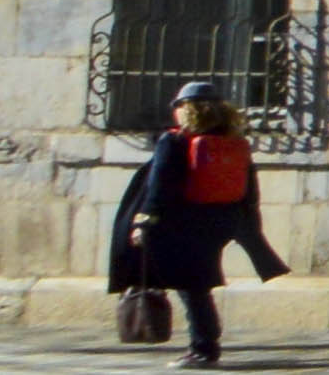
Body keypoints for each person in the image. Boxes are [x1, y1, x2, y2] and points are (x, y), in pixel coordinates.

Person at [109, 84, 286, 365]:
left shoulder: (175, 141)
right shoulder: (233, 142)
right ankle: (206, 344)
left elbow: (159, 187)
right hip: (222, 221)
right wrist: (246, 225)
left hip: (183, 223)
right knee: (197, 285)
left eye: (178, 106)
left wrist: (144, 222)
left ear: (187, 109)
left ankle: (203, 348)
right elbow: (249, 189)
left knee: (191, 288)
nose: (175, 112)